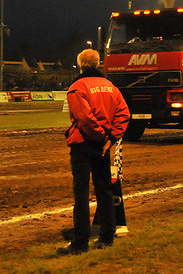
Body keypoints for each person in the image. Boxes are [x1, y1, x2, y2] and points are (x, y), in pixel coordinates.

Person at [57, 49, 130, 255]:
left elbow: (84, 118)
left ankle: (80, 242)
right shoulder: (111, 87)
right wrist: (110, 139)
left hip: (83, 144)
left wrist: (100, 138)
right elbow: (124, 113)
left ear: (80, 64)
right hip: (103, 145)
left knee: (81, 193)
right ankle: (107, 237)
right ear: (98, 64)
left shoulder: (77, 87)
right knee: (104, 191)